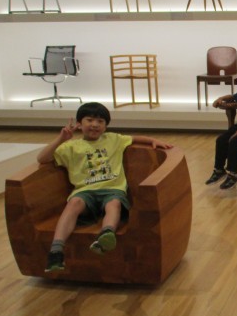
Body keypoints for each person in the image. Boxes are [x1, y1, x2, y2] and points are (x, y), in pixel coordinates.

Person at [37, 102, 173, 272]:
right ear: (79, 124)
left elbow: (135, 138)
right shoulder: (70, 147)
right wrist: (61, 139)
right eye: (90, 120)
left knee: (114, 203)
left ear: (106, 126)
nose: (95, 124)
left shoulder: (113, 139)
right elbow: (42, 158)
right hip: (85, 191)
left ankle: (106, 234)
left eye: (100, 121)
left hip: (112, 189)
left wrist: (153, 140)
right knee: (74, 203)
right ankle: (56, 250)